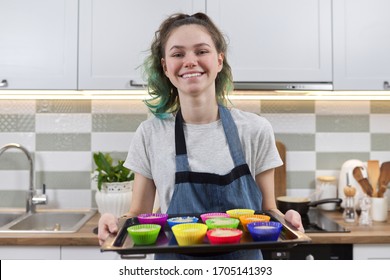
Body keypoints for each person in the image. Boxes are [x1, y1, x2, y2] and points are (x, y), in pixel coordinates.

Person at [98, 12, 303, 259]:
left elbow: (268, 211)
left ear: (219, 60)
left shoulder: (255, 130)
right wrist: (113, 223)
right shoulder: (150, 134)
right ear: (165, 67)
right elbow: (139, 217)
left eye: (201, 51)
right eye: (178, 54)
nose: (190, 61)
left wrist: (287, 219)